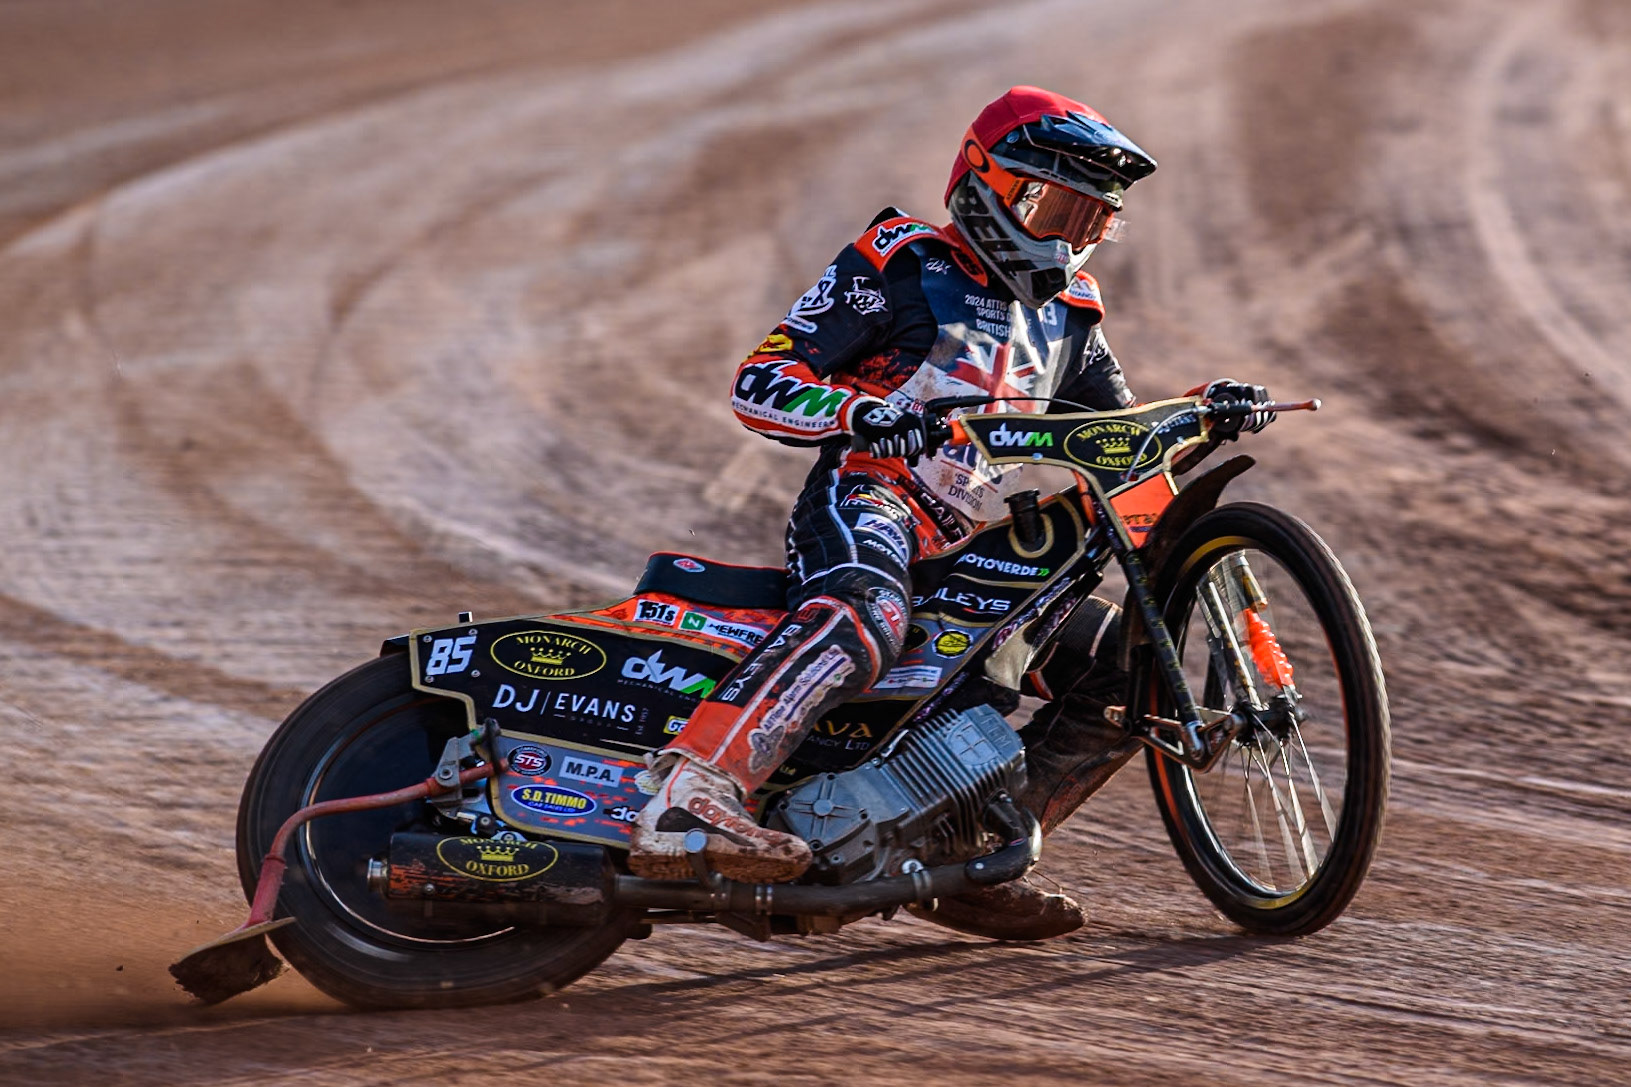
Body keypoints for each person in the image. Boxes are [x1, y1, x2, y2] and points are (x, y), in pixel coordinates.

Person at [629, 86, 1269, 939]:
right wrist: (864, 412)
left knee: (1129, 665)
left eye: (1089, 222)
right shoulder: (900, 259)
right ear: (983, 182)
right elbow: (760, 383)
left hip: (977, 540)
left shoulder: (1073, 314)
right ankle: (689, 794)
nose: (1065, 239)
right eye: (1052, 208)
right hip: (869, 499)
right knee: (866, 613)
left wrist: (1196, 416)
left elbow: (1113, 443)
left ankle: (969, 853)